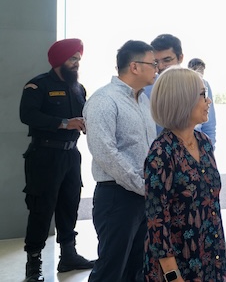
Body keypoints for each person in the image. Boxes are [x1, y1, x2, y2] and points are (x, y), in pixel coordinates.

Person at [144, 67, 226, 282]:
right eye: (202, 95)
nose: (208, 101)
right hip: (179, 264)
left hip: (210, 254)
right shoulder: (161, 153)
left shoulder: (203, 142)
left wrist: (223, 245)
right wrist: (172, 275)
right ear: (182, 100)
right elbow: (157, 220)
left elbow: (212, 203)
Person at [19, 38, 95, 281]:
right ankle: (33, 264)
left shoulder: (78, 88)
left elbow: (83, 115)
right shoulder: (38, 85)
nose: (76, 63)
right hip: (44, 155)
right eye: (72, 59)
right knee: (41, 210)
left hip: (71, 155)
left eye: (78, 59)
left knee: (69, 206)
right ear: (59, 60)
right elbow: (27, 115)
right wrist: (64, 123)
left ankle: (68, 256)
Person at [83, 40, 158, 282]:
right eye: (153, 63)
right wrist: (140, 185)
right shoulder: (104, 100)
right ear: (134, 66)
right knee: (110, 269)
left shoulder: (143, 100)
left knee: (136, 267)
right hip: (117, 196)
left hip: (142, 194)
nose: (156, 69)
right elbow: (105, 153)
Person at [188, 57, 217, 145]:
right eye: (202, 94)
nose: (208, 101)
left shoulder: (205, 84)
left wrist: (211, 147)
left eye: (202, 70)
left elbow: (210, 125)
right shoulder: (183, 86)